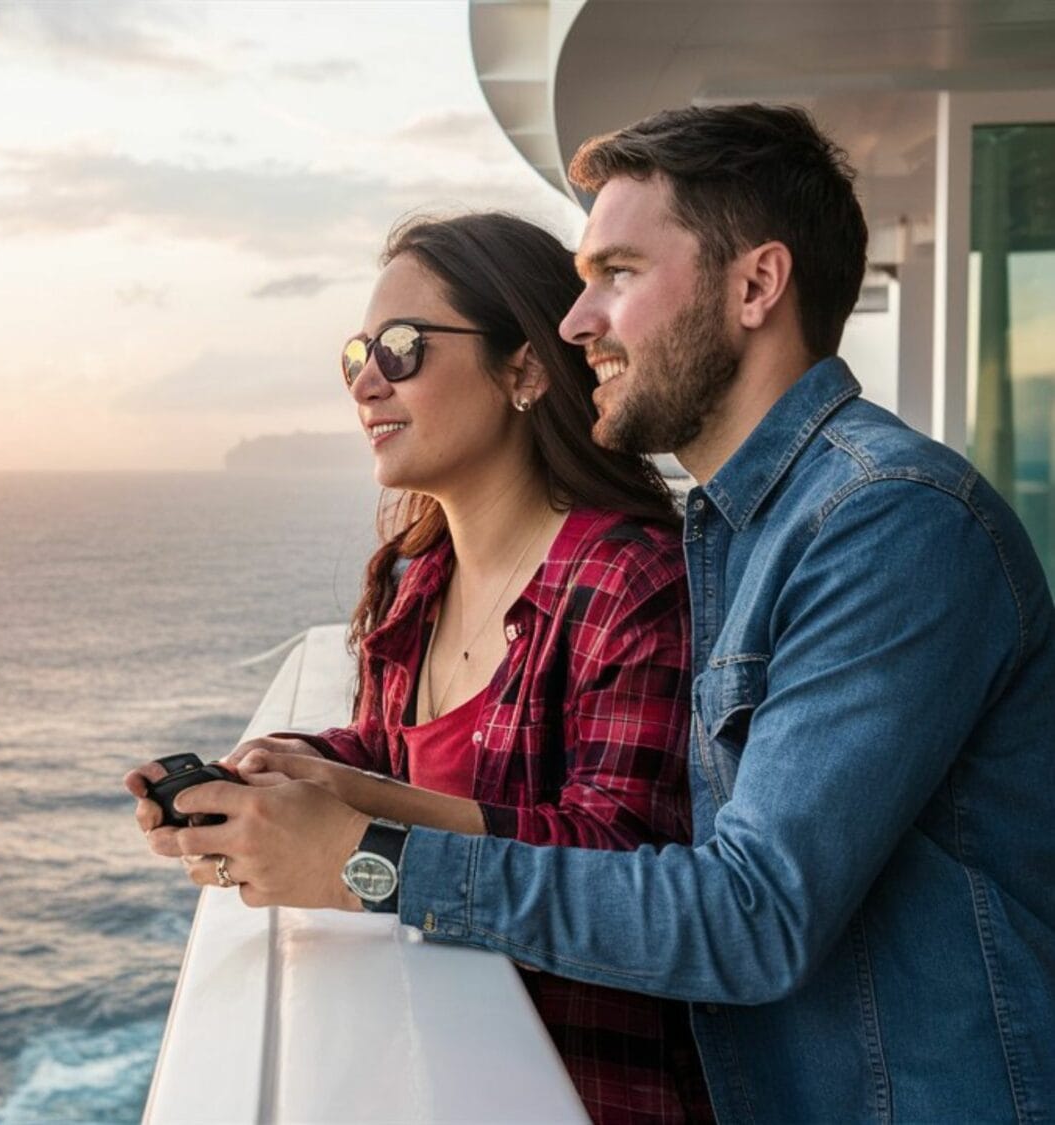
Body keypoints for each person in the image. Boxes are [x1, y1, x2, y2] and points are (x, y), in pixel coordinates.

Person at [138, 104, 1055, 1123]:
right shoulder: (736, 536)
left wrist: (366, 858)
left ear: (755, 285)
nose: (577, 324)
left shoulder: (885, 524)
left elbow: (748, 914)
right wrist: (314, 777)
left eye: (616, 275)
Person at [128, 212, 713, 1122]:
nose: (366, 380)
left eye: (402, 348)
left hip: (580, 1089)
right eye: (357, 352)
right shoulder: (423, 579)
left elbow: (622, 867)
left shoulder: (625, 579)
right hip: (434, 1068)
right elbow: (400, 748)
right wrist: (281, 768)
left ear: (523, 367)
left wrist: (349, 833)